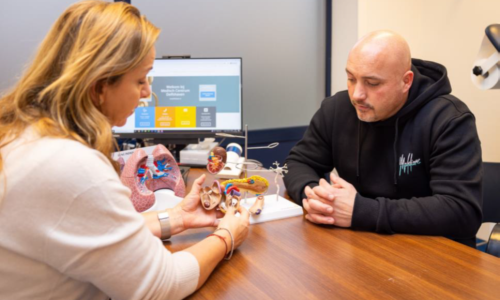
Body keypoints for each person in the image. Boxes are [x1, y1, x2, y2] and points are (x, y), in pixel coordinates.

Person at [0, 1, 249, 299]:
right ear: (99, 85)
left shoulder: (26, 136)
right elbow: (162, 285)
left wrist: (178, 217)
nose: (147, 93)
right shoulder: (69, 164)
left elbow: (97, 232)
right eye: (140, 80)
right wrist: (228, 236)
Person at [284, 30, 482, 247]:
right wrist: (317, 197)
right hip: (362, 244)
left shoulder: (449, 119)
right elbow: (298, 162)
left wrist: (361, 211)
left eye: (372, 83)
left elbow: (461, 211)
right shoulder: (336, 109)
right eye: (351, 78)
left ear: (406, 82)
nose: (357, 94)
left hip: (432, 253)